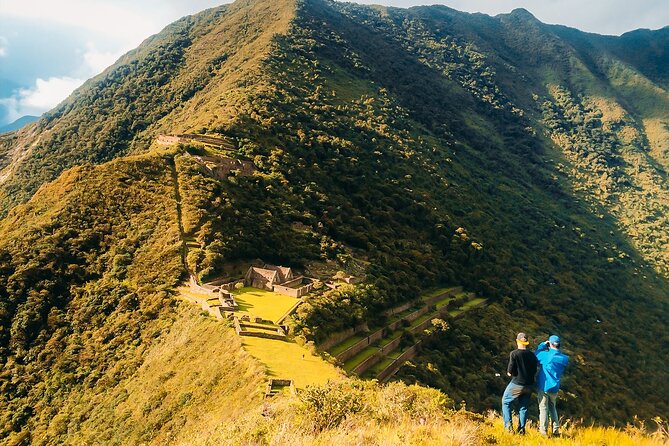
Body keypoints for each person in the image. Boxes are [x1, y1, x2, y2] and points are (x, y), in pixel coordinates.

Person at [502, 332, 538, 434]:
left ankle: (508, 428)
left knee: (506, 402)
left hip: (517, 384)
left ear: (517, 341)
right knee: (523, 407)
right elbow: (534, 370)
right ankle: (521, 429)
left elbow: (509, 372)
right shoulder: (532, 355)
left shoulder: (514, 354)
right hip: (529, 385)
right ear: (527, 342)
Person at [535, 335, 569, 436]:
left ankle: (543, 431)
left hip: (544, 385)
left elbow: (535, 356)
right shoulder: (564, 359)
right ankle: (555, 430)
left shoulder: (546, 356)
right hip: (555, 387)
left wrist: (542, 345)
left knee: (543, 408)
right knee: (552, 408)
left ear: (550, 344)